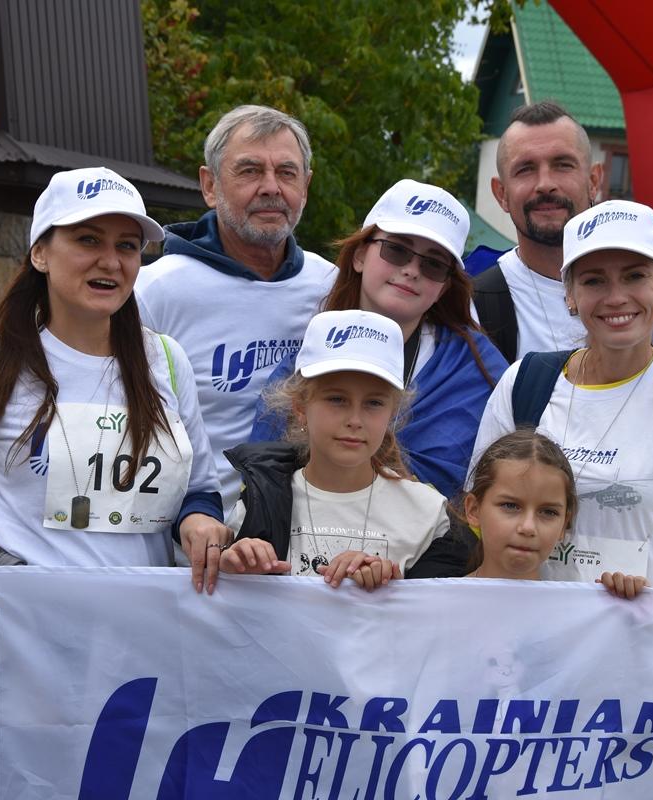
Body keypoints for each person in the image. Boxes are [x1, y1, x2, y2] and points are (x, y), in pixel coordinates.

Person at [0, 167, 225, 799]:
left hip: (134, 642)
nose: (110, 260)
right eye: (87, 240)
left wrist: (199, 519)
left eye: (127, 245)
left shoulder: (167, 363)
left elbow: (197, 487)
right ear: (40, 252)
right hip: (17, 637)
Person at [468, 199, 653, 606]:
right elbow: (478, 526)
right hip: (534, 654)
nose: (616, 297)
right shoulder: (524, 384)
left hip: (648, 659)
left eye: (634, 276)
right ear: (570, 295)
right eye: (594, 281)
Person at [135, 105, 336, 550]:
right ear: (209, 185)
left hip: (300, 552)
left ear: (306, 184)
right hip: (177, 552)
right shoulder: (155, 290)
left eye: (287, 172)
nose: (271, 188)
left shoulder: (331, 290)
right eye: (249, 171)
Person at [250, 179, 508, 501]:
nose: (412, 270)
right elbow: (262, 473)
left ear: (444, 286)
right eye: (397, 250)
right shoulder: (312, 353)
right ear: (359, 255)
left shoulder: (477, 370)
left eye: (434, 264)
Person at [221, 310, 470, 588]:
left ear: (392, 412)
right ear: (300, 407)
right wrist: (233, 572)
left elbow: (440, 618)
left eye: (374, 403)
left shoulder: (429, 515)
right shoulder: (258, 504)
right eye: (337, 399)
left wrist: (395, 586)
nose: (354, 420)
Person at [466, 101, 653, 376]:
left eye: (563, 165)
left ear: (594, 180)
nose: (545, 183)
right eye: (525, 169)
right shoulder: (472, 304)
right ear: (501, 193)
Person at [462, 428, 647, 598]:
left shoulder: (581, 613)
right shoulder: (439, 603)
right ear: (474, 510)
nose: (528, 527)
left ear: (564, 524)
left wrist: (628, 608)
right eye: (510, 506)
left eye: (548, 512)